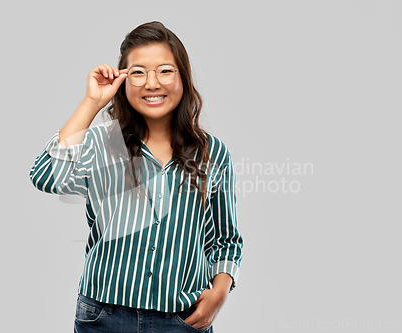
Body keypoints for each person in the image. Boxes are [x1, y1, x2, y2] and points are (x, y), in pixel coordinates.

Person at [29, 21, 243, 333]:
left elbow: (227, 239)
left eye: (165, 71)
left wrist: (220, 291)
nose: (152, 83)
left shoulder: (212, 153)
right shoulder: (103, 142)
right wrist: (91, 103)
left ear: (182, 78)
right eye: (139, 72)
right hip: (104, 317)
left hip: (182, 320)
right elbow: (47, 176)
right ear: (123, 81)